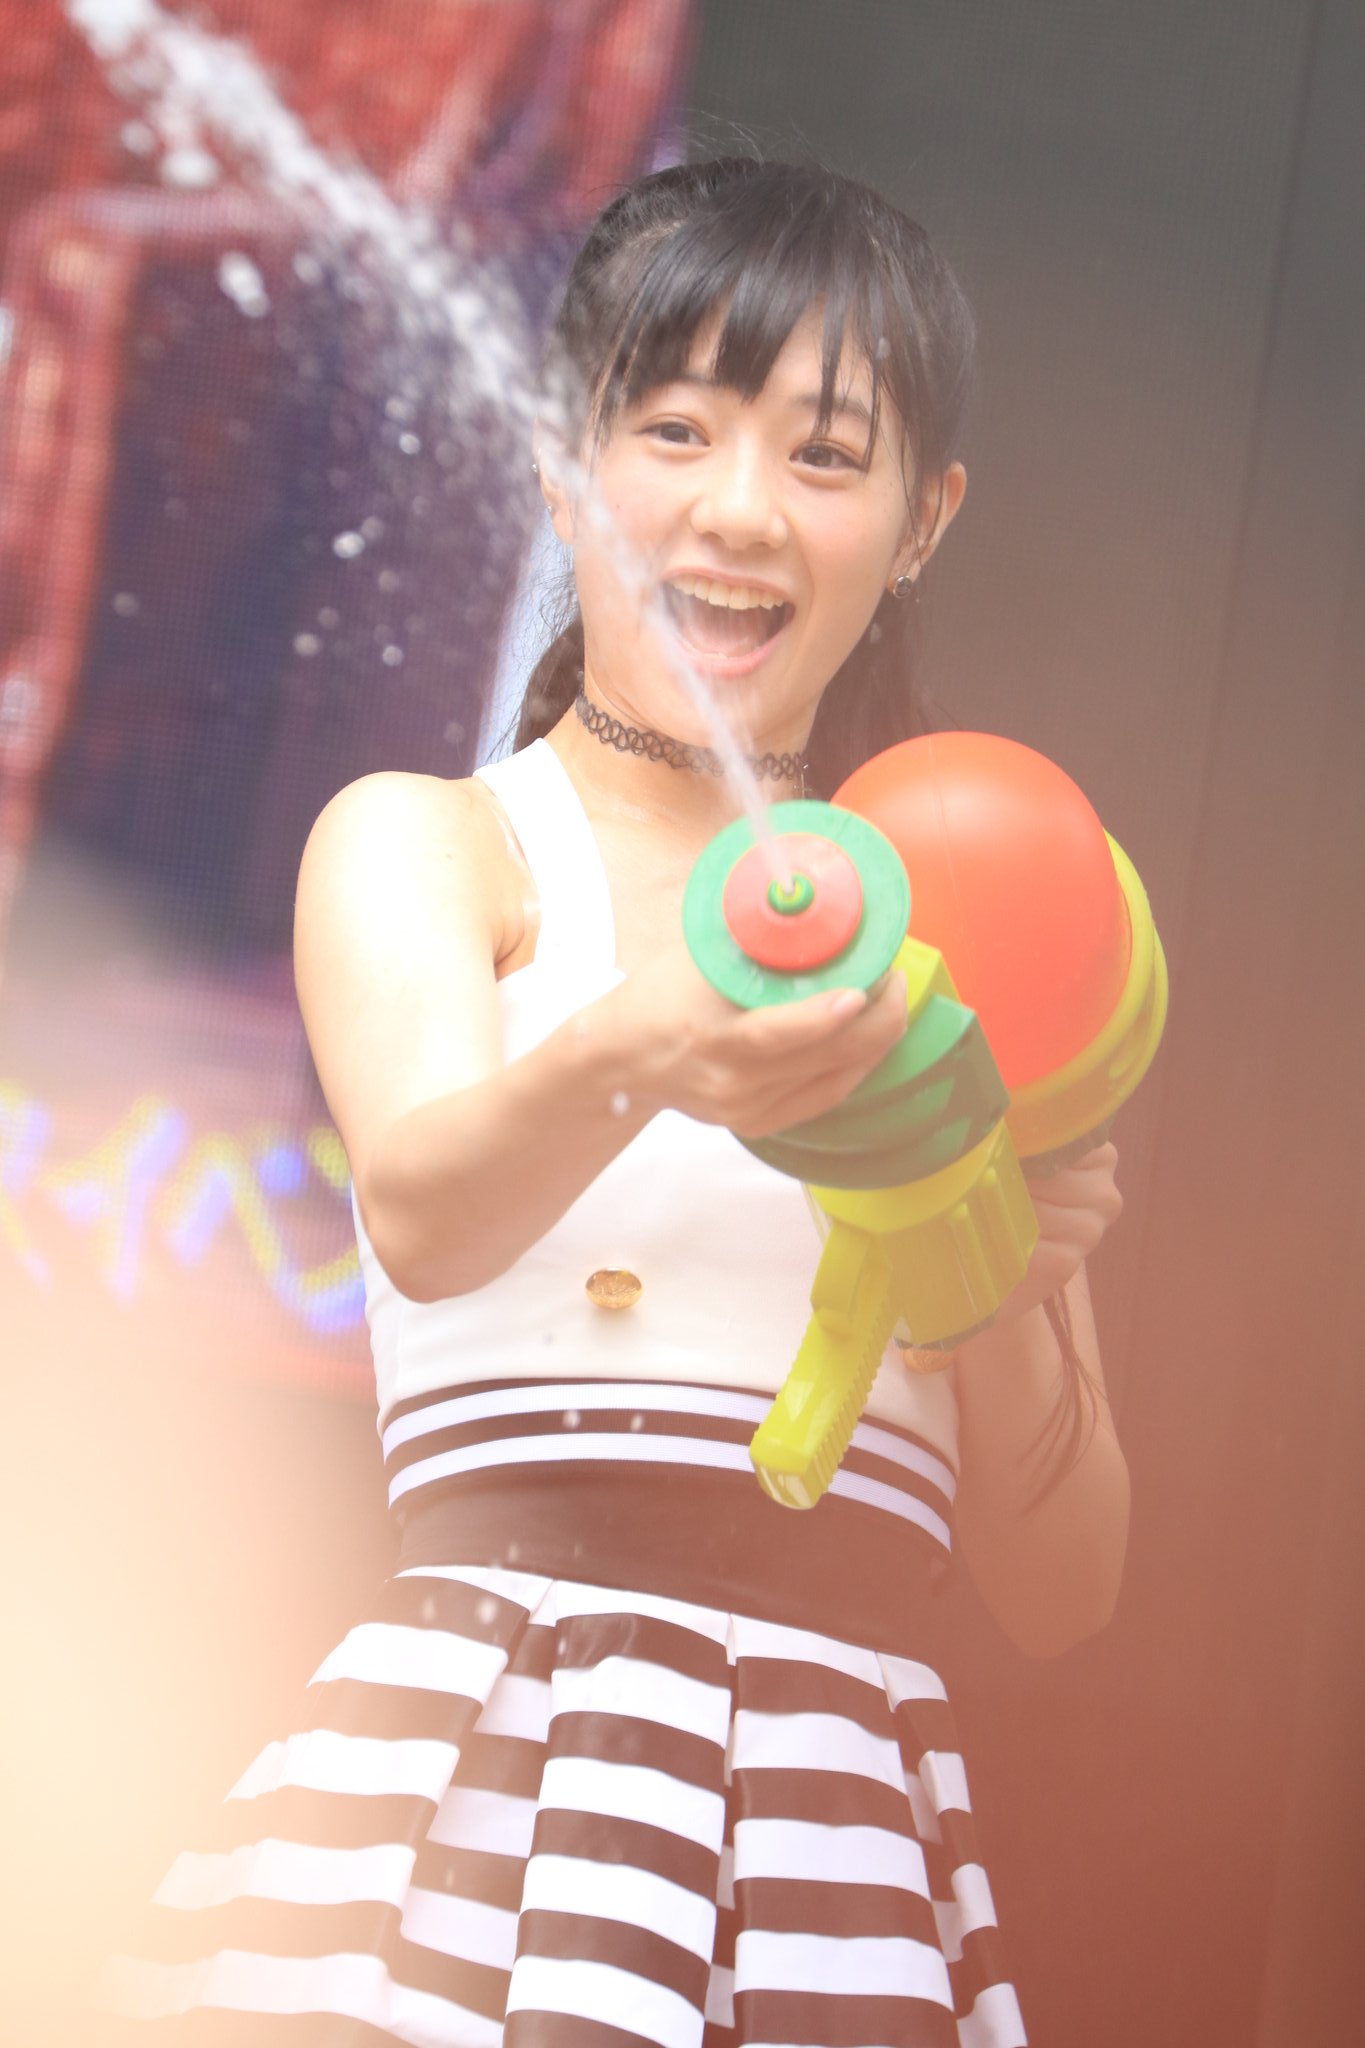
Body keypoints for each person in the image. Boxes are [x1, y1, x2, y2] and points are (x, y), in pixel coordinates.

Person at [104, 157, 1128, 2048]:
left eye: (826, 455)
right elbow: (423, 1207)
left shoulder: (954, 922)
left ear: (921, 521)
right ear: (559, 461)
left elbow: (1067, 1587)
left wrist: (981, 1268)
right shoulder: (439, 845)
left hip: (827, 1841)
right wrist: (645, 1045)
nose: (738, 510)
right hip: (478, 1789)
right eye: (672, 429)